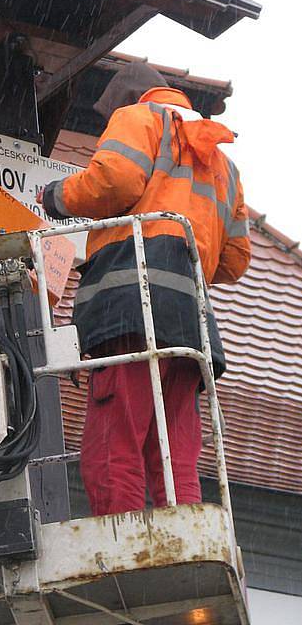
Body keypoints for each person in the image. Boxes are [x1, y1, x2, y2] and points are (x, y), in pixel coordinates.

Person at [39, 62, 250, 516]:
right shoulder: (222, 163)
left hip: (131, 307)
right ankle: (184, 545)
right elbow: (235, 260)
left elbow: (114, 180)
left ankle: (123, 554)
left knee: (115, 443)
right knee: (173, 452)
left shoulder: (139, 117)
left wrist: (55, 197)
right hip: (189, 321)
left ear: (124, 104)